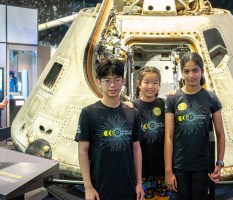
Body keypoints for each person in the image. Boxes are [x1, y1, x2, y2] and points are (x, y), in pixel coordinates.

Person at [76, 58, 144, 200]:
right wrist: (88, 187)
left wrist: (139, 183)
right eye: (107, 80)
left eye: (117, 80)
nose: (112, 85)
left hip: (129, 186)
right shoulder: (88, 113)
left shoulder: (133, 113)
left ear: (123, 81)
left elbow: (136, 149)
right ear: (99, 82)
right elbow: (83, 151)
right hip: (100, 188)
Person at [164, 52, 225, 200]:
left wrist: (219, 163)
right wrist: (168, 171)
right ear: (181, 73)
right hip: (180, 166)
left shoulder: (211, 98)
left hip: (203, 167)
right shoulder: (173, 99)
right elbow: (169, 137)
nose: (191, 75)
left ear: (202, 71)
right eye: (186, 71)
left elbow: (220, 133)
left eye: (195, 70)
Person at [132, 66, 170, 200]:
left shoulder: (164, 104)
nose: (150, 86)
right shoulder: (132, 107)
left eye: (155, 83)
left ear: (159, 85)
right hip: (143, 171)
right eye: (146, 82)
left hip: (163, 169)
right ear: (139, 84)